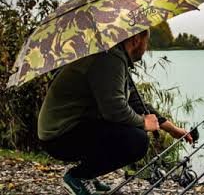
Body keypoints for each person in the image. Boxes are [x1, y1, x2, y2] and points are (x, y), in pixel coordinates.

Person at [38, 29, 192, 195]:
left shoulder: (114, 55)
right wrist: (142, 123)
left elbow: (135, 101)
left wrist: (172, 129)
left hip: (67, 129)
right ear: (135, 40)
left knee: (130, 130)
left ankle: (88, 174)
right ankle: (77, 177)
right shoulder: (109, 58)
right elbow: (115, 110)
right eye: (147, 41)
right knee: (137, 141)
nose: (147, 47)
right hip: (60, 136)